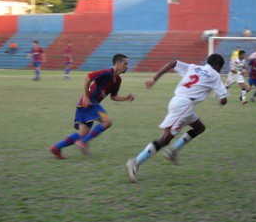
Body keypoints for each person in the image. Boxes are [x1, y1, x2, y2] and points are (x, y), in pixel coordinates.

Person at [126, 54, 229, 183]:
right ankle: (135, 162)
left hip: (178, 101)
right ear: (218, 66)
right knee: (165, 139)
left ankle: (172, 152)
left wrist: (154, 78)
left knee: (199, 128)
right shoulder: (215, 75)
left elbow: (172, 63)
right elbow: (223, 100)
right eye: (221, 67)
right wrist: (221, 98)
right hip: (184, 106)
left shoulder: (194, 67)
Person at [50, 54, 134, 159]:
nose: (127, 66)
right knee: (107, 122)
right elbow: (88, 76)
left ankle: (56, 147)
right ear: (118, 63)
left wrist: (126, 98)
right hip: (89, 102)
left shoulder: (118, 80)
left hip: (87, 105)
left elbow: (114, 96)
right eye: (125, 63)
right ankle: (83, 142)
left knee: (82, 135)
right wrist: (86, 96)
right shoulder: (107, 73)